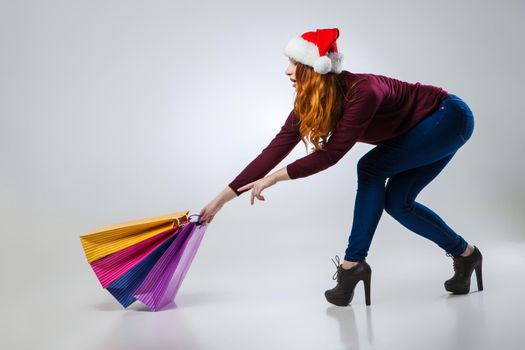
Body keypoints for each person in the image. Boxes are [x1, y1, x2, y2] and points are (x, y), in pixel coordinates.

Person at [199, 27, 483, 306]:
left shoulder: (363, 92)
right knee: (398, 204)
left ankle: (352, 265)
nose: (286, 71)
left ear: (316, 68)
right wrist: (219, 201)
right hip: (421, 130)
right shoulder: (310, 103)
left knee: (370, 168)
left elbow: (331, 154)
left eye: (294, 63)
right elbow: (273, 151)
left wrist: (274, 179)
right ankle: (466, 254)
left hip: (447, 117)